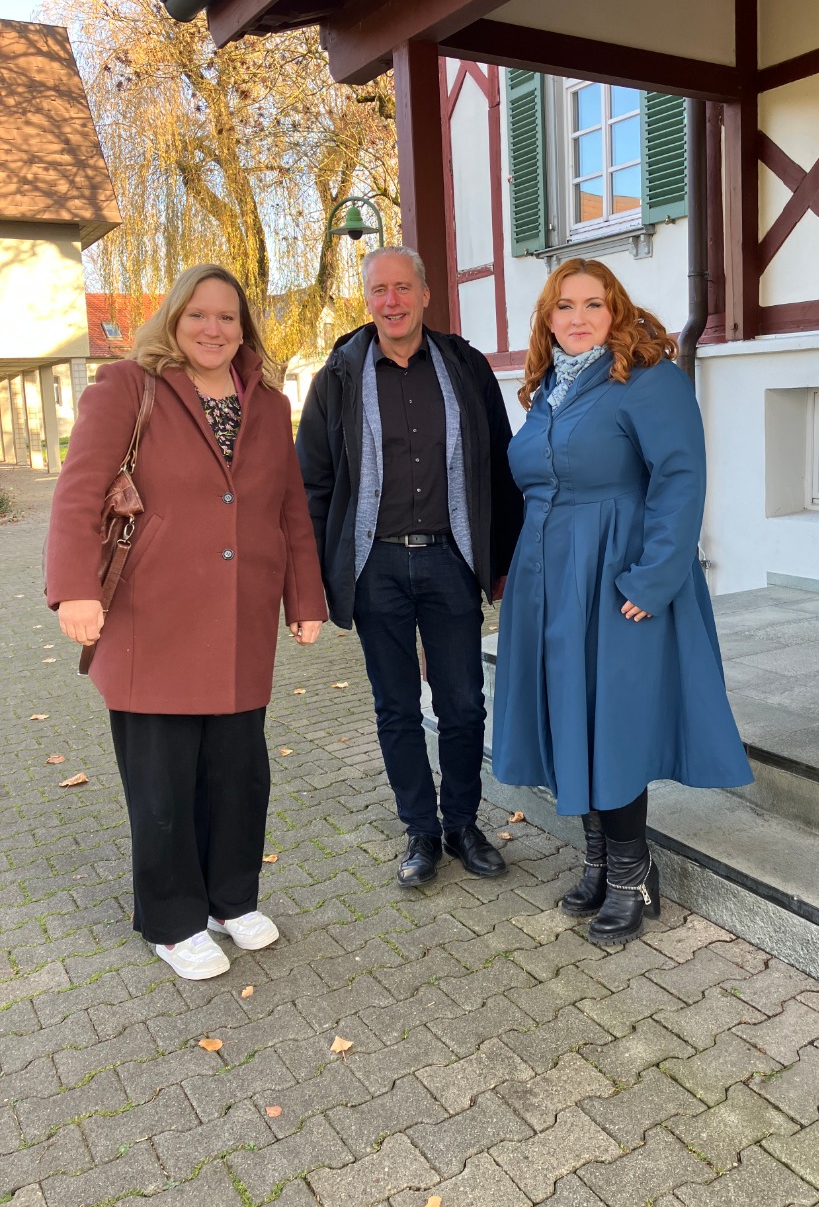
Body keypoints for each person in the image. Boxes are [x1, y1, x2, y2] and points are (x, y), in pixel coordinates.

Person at [46, 264, 327, 981]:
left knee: (239, 774)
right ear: (173, 319)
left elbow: (289, 506)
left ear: (244, 328)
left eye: (228, 317)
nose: (213, 328)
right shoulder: (128, 388)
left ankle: (231, 900)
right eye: (199, 314)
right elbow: (80, 492)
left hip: (240, 620)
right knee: (163, 782)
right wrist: (75, 588)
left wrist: (306, 597)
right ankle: (171, 920)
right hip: (151, 619)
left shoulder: (266, 401)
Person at [491, 258, 753, 946]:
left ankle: (633, 874)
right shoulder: (547, 390)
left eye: (593, 304)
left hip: (615, 576)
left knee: (614, 724)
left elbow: (680, 475)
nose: (578, 318)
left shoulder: (647, 378)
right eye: (564, 306)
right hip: (550, 581)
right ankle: (601, 861)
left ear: (617, 311)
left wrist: (653, 577)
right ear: (548, 319)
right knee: (572, 719)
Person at [296, 245, 521, 889]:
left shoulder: (464, 365)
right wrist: (317, 574)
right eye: (378, 291)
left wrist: (500, 560)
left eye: (402, 288)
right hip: (376, 568)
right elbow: (311, 482)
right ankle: (420, 832)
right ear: (365, 301)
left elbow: (500, 467)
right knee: (395, 708)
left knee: (463, 703)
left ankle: (463, 825)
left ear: (426, 294)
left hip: (451, 561)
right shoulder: (339, 373)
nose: (390, 301)